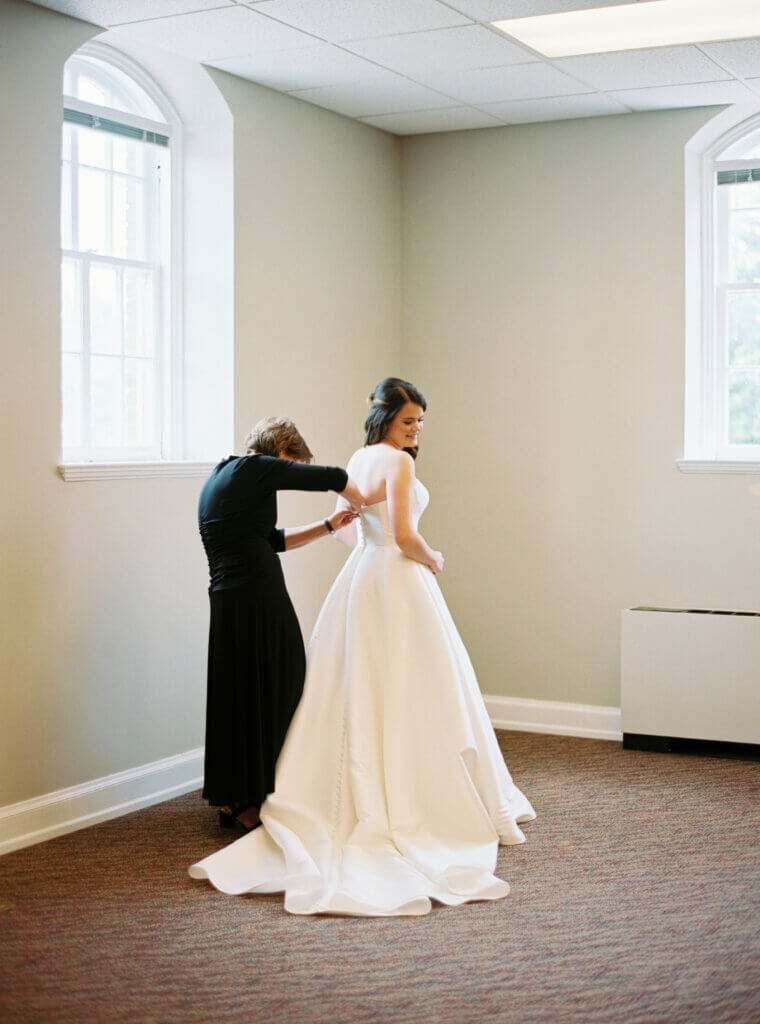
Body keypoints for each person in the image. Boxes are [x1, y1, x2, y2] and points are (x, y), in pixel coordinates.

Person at [190, 380, 536, 915]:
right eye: (408, 422)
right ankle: (402, 792)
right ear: (387, 420)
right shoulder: (392, 464)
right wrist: (432, 556)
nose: (416, 430)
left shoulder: (349, 457)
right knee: (404, 681)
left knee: (350, 682)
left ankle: (259, 794)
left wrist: (346, 520)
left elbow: (344, 533)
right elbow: (399, 534)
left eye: (420, 422)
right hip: (387, 578)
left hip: (354, 579)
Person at [197, 416, 364, 831]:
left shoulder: (223, 475)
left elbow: (272, 541)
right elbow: (333, 476)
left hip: (232, 597)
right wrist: (362, 503)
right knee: (281, 681)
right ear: (280, 450)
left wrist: (329, 526)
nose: (290, 469)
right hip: (255, 595)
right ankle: (258, 796)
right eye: (292, 460)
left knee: (245, 692)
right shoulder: (254, 466)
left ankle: (241, 797)